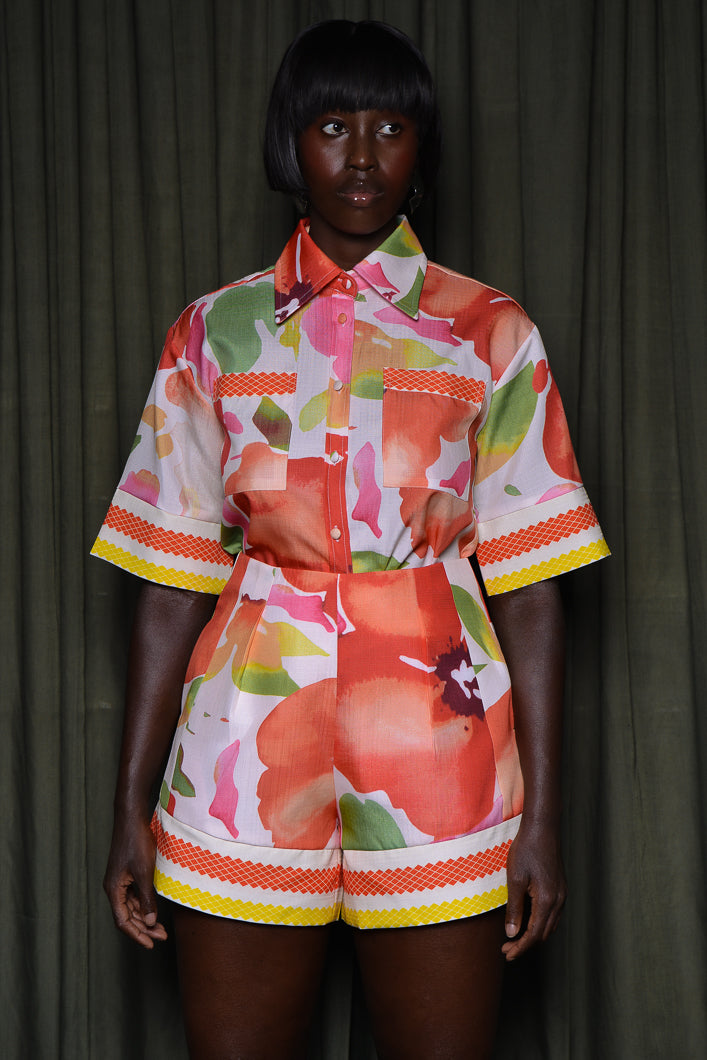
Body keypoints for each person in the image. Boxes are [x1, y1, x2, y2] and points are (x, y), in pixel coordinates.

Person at [93, 20, 609, 1060]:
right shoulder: (211, 333)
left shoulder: (489, 331)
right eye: (332, 126)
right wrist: (129, 810)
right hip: (240, 749)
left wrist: (540, 823)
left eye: (390, 128)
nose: (363, 155)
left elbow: (530, 587)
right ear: (291, 142)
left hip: (440, 754)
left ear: (421, 148)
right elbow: (169, 581)